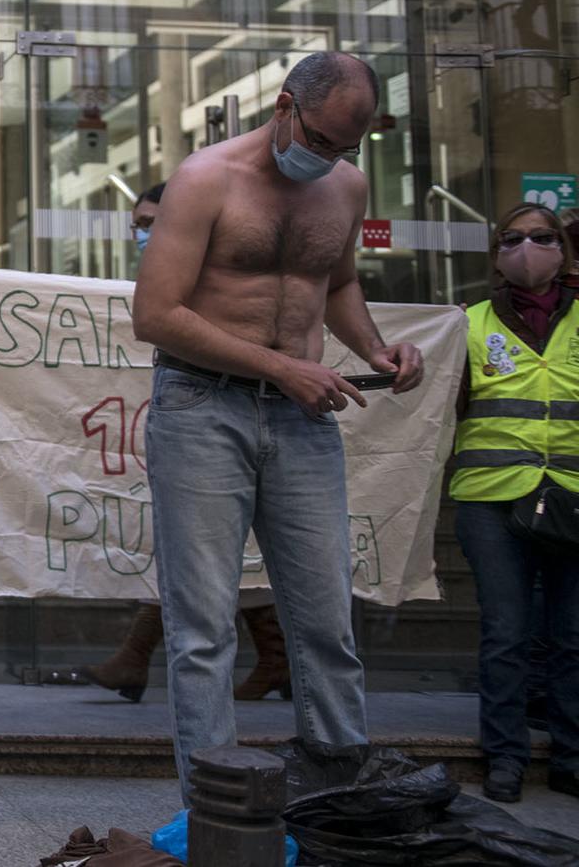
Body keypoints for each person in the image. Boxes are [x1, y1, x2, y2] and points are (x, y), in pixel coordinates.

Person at [132, 50, 424, 796]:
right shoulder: (207, 178)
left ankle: (340, 793)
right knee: (203, 630)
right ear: (286, 106)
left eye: (347, 148)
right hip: (202, 405)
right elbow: (155, 315)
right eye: (321, 140)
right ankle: (217, 807)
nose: (329, 159)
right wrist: (282, 368)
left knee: (326, 619)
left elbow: (339, 280)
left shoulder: (346, 185)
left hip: (300, 416)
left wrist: (375, 347)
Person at [83, 178, 291, 704]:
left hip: (213, 422)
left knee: (205, 550)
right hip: (169, 424)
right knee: (200, 549)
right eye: (138, 227)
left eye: (153, 224)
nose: (143, 236)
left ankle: (151, 660)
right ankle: (273, 659)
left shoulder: (217, 286)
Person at [448, 202, 579, 804]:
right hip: (492, 502)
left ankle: (570, 759)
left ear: (564, 250)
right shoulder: (468, 323)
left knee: (573, 636)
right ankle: (505, 758)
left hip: (573, 499)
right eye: (514, 238)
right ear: (497, 253)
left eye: (543, 237)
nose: (529, 248)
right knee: (506, 632)